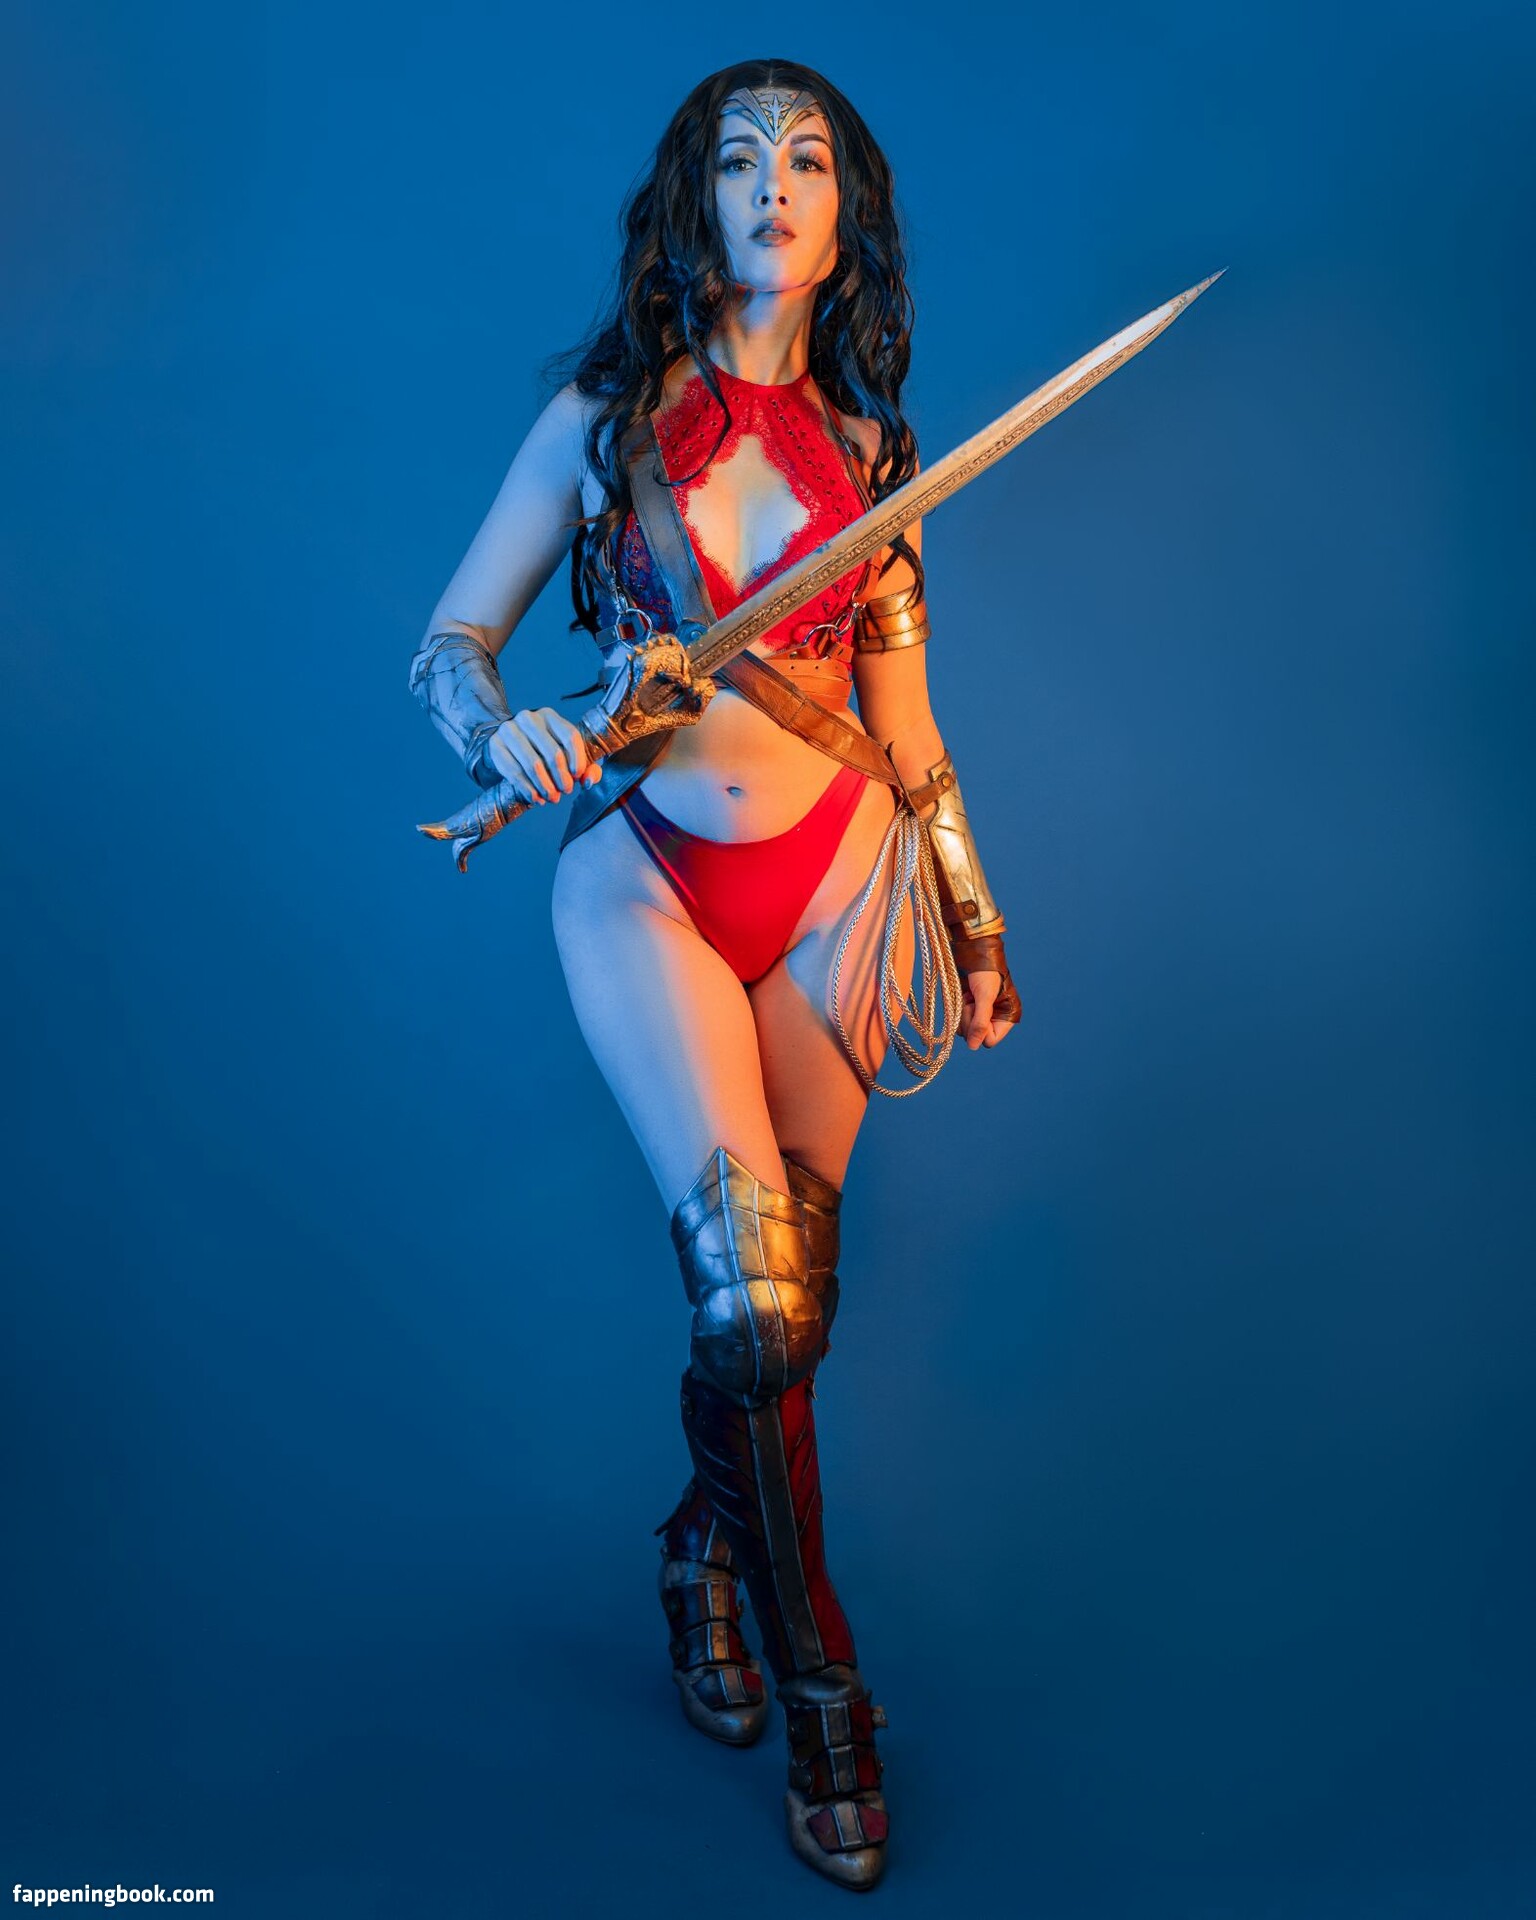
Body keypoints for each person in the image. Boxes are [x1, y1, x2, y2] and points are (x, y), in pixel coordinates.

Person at [408, 57, 1019, 1892]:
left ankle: (702, 1554)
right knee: (749, 1309)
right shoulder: (603, 426)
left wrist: (974, 917)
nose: (774, 185)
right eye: (740, 159)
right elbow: (449, 645)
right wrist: (502, 732)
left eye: (807, 160)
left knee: (787, 1319)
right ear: (696, 202)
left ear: (846, 217)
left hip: (840, 878)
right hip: (651, 881)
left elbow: (911, 734)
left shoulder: (881, 457)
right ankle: (828, 1686)